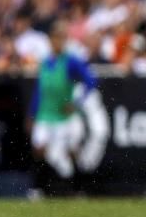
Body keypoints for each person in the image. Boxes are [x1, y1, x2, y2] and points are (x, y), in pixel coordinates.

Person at [29, 21, 97, 181]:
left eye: (61, 38)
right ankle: (39, 186)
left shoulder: (71, 61)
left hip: (62, 116)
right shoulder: (45, 62)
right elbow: (40, 90)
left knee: (67, 152)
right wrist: (32, 113)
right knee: (39, 148)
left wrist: (77, 103)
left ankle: (75, 186)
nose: (58, 42)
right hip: (45, 114)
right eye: (55, 38)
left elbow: (91, 81)